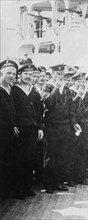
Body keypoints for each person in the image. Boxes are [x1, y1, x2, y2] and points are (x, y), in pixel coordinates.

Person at [42, 64, 79, 193]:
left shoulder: (67, 90)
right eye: (57, 74)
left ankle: (58, 182)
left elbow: (71, 108)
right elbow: (48, 103)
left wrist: (74, 123)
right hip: (52, 127)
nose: (60, 77)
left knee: (62, 156)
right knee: (50, 156)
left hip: (65, 127)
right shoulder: (47, 87)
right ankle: (48, 184)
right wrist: (56, 89)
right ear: (52, 74)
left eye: (62, 75)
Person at [12, 64, 44, 198]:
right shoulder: (14, 90)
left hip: (32, 129)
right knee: (19, 160)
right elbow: (12, 109)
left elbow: (39, 111)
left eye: (31, 74)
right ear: (20, 75)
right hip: (19, 130)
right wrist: (13, 124)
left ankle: (26, 187)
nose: (28, 76)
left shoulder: (35, 92)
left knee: (30, 159)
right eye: (25, 74)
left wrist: (40, 128)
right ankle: (18, 189)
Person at [68, 72, 88, 186]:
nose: (81, 84)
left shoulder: (87, 94)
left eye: (83, 81)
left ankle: (82, 177)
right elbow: (70, 111)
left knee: (83, 152)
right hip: (73, 127)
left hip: (85, 127)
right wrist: (74, 124)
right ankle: (71, 179)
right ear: (74, 82)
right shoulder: (70, 93)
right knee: (73, 153)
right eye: (79, 81)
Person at [0, 59, 18, 200]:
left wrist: (13, 125)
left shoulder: (10, 89)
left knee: (7, 161)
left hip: (8, 132)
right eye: (8, 73)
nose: (11, 76)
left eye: (14, 73)